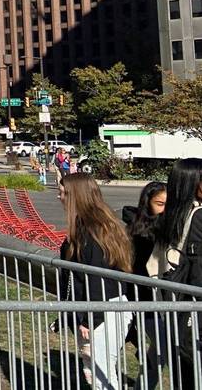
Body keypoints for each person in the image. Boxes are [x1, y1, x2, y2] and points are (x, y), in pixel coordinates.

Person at [55, 173, 134, 390]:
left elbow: (97, 277)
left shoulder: (93, 231)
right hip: (96, 309)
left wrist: (91, 318)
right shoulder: (87, 227)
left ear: (75, 196)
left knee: (102, 374)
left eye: (62, 193)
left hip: (102, 310)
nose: (59, 197)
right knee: (93, 371)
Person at [149, 158, 202, 390]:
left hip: (177, 304)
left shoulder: (173, 214)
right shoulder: (198, 216)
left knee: (185, 369)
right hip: (194, 305)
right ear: (193, 183)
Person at [122, 181, 168, 389]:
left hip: (159, 301)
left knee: (161, 346)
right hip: (143, 300)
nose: (164, 209)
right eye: (160, 203)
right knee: (161, 345)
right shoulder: (137, 233)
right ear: (147, 203)